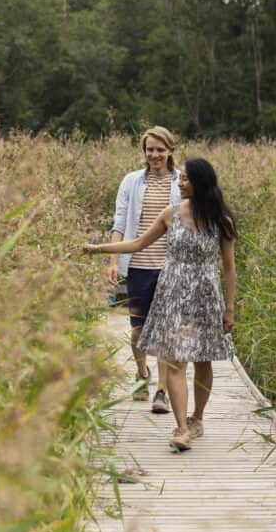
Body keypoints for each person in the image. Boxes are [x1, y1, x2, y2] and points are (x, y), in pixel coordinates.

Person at [84, 158, 237, 452]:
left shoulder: (221, 220)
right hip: (171, 294)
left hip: (206, 296)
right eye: (178, 178)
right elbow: (138, 244)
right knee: (176, 361)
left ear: (200, 183)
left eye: (184, 179)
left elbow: (229, 268)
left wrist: (229, 308)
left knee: (203, 359)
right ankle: (181, 428)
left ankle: (197, 419)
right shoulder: (172, 214)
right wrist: (99, 249)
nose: (178, 183)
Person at [108, 126, 181, 413]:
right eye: (150, 150)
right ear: (144, 152)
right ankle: (142, 375)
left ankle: (162, 391)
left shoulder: (181, 183)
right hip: (137, 265)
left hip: (170, 266)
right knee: (138, 331)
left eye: (160, 150)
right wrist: (113, 262)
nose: (154, 155)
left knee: (163, 331)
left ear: (170, 151)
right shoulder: (131, 182)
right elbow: (119, 221)